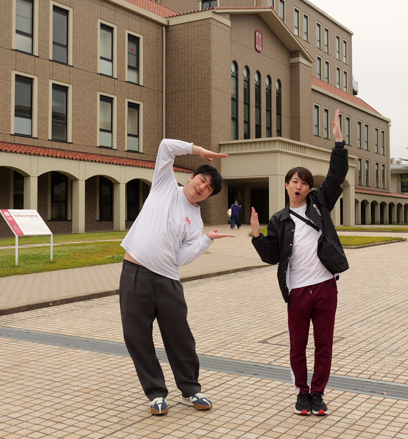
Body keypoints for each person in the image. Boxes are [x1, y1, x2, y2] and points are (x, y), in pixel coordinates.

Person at [120, 138, 233, 416]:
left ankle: (191, 390)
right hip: (135, 274)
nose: (202, 187)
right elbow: (165, 146)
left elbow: (181, 258)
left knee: (180, 337)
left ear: (208, 196)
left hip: (168, 280)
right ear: (192, 176)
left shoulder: (195, 220)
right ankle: (156, 393)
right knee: (137, 336)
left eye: (209, 189)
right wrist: (199, 151)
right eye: (202, 180)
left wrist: (206, 240)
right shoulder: (164, 185)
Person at [250, 109, 349, 416]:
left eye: (303, 182)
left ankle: (318, 393)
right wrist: (256, 236)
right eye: (294, 181)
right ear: (287, 185)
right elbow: (273, 256)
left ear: (308, 188)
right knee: (297, 347)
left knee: (323, 345)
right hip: (296, 291)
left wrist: (338, 144)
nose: (298, 186)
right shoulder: (279, 219)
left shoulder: (320, 203)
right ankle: (301, 393)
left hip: (324, 287)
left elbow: (335, 177)